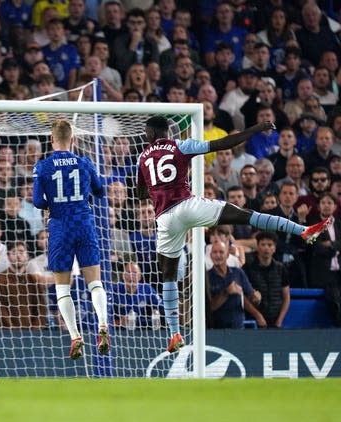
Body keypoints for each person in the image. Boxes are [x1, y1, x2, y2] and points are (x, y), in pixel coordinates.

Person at [137, 116, 332, 352]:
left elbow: (140, 193)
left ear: (149, 134)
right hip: (188, 205)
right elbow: (222, 144)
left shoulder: (143, 157)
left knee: (168, 276)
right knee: (248, 215)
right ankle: (303, 230)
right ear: (168, 132)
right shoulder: (180, 145)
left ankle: (174, 333)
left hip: (165, 218)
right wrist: (256, 128)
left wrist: (159, 190)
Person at [32, 119, 109, 360]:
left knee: (62, 288)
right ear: (73, 140)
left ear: (51, 140)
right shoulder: (84, 162)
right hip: (84, 223)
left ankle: (75, 335)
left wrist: (51, 204)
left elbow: (37, 202)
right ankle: (103, 324)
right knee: (95, 283)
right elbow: (100, 190)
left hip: (59, 227)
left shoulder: (43, 166)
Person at [243, 231, 291, 328]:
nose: (266, 248)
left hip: (276, 320)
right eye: (263, 244)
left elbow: (286, 297)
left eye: (270, 245)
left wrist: (279, 320)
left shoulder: (281, 269)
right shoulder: (248, 268)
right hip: (254, 322)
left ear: (274, 248)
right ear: (257, 246)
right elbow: (243, 297)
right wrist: (258, 316)